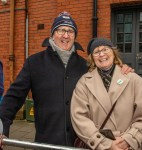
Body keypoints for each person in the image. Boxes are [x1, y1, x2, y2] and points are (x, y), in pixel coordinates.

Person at [0, 12, 132, 148]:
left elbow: (107, 87)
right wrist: (1, 129)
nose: (66, 35)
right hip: (46, 143)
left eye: (70, 31)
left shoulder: (86, 66)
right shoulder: (34, 63)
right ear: (52, 34)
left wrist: (120, 72)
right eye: (61, 30)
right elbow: (13, 98)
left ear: (74, 36)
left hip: (81, 142)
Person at [71, 38, 142, 150]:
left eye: (105, 49)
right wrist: (105, 144)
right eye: (97, 52)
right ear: (92, 58)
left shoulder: (133, 80)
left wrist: (129, 140)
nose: (102, 54)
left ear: (113, 53)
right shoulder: (83, 83)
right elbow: (79, 118)